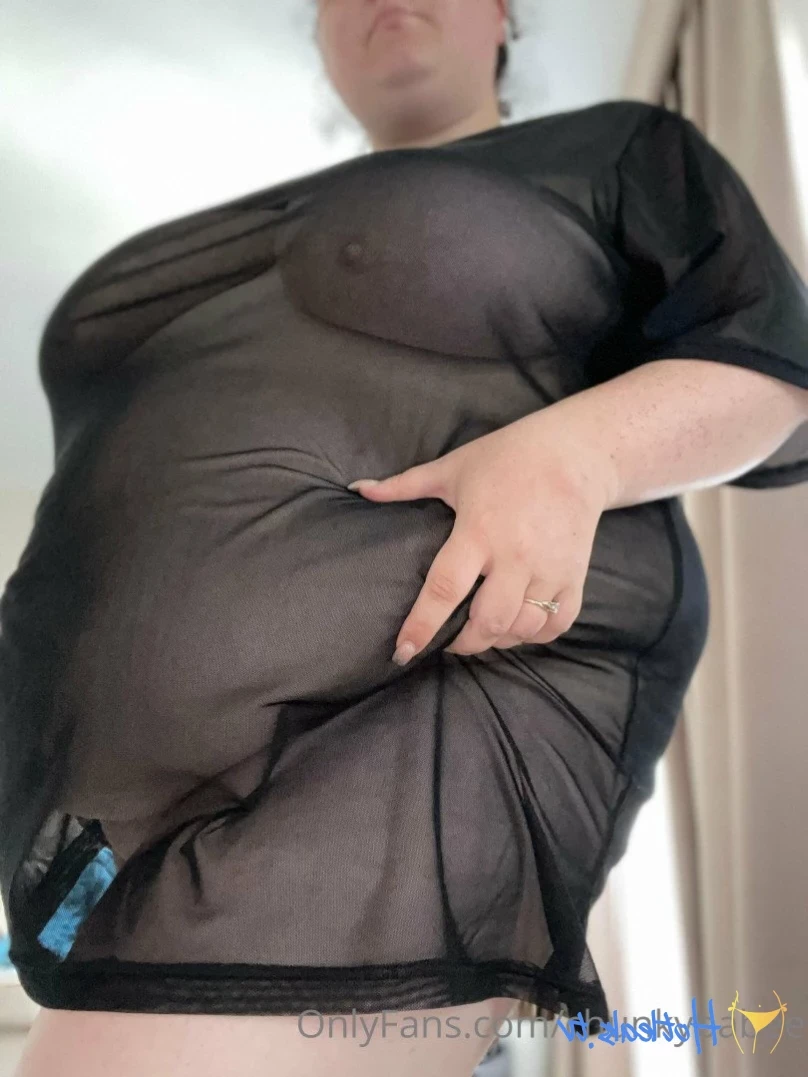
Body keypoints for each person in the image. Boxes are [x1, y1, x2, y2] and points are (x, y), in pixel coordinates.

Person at [3, 1, 808, 1075]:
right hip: (88, 787)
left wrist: (579, 455)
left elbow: (771, 362)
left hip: (433, 679)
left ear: (504, 19)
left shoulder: (618, 147)